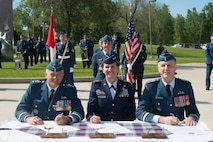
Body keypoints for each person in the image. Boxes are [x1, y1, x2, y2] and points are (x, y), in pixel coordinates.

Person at [136, 50, 200, 126]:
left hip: (179, 128)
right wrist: (162, 119)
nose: (166, 68)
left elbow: (193, 111)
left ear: (175, 68)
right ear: (158, 68)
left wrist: (191, 118)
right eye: (163, 65)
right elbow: (140, 112)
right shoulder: (151, 87)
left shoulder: (185, 86)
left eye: (169, 65)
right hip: (157, 128)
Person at [15, 59, 84, 125]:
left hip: (60, 128)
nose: (55, 78)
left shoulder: (69, 90)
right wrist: (28, 118)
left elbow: (79, 111)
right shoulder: (35, 87)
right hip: (37, 126)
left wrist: (68, 119)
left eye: (58, 75)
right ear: (46, 75)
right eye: (52, 75)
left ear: (63, 76)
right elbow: (20, 109)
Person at [86, 55, 136, 123]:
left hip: (123, 127)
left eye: (113, 67)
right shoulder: (96, 86)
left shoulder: (127, 86)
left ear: (118, 68)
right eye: (107, 67)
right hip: (102, 126)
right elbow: (90, 111)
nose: (110, 70)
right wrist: (92, 118)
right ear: (102, 69)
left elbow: (131, 112)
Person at [126, 33, 147, 97]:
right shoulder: (131, 46)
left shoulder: (142, 47)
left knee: (139, 82)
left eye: (138, 37)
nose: (137, 38)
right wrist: (128, 63)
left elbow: (145, 56)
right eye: (136, 37)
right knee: (133, 81)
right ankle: (132, 94)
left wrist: (141, 62)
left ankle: (139, 94)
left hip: (140, 66)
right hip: (133, 67)